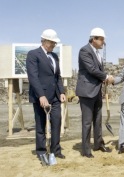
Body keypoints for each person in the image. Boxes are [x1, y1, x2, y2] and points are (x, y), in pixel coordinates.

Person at [26, 29, 66, 159]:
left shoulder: (54, 56)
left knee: (57, 122)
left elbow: (57, 76)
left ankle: (56, 150)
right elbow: (33, 77)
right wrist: (41, 95)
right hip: (40, 97)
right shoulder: (33, 54)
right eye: (52, 42)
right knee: (41, 125)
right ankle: (42, 151)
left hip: (55, 97)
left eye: (55, 42)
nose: (54, 45)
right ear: (44, 41)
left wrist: (61, 92)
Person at [76, 27, 112, 158]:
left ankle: (98, 144)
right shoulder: (84, 50)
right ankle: (86, 150)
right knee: (86, 122)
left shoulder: (97, 53)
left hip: (96, 91)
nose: (103, 42)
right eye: (101, 39)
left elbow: (97, 71)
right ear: (94, 39)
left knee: (98, 119)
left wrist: (104, 80)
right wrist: (106, 77)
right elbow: (91, 69)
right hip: (86, 91)